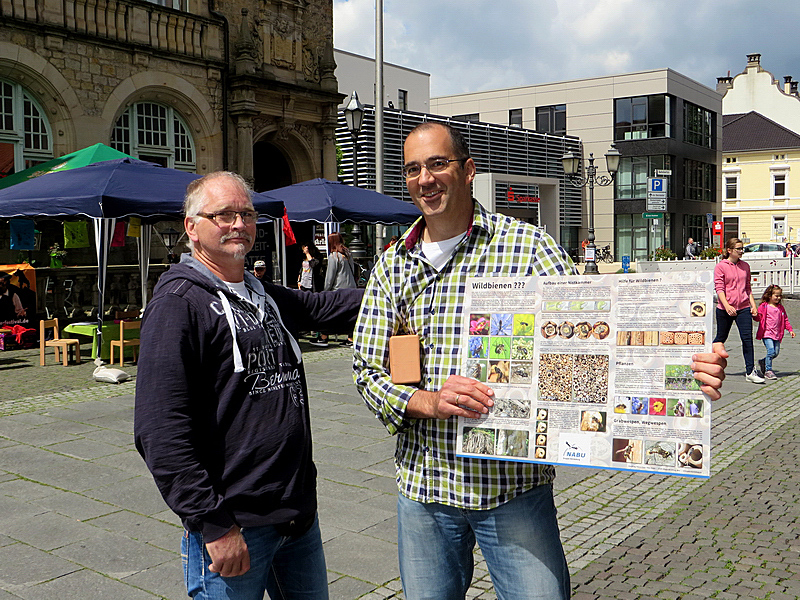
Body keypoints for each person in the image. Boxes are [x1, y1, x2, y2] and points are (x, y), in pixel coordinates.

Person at [352, 122, 728, 600]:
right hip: (425, 489)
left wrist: (682, 365)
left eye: (438, 164)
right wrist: (427, 401)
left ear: (468, 171)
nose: (425, 178)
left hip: (512, 490)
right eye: (413, 169)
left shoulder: (529, 248)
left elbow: (597, 343)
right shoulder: (392, 265)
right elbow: (365, 370)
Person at [134, 171, 362, 600]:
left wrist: (402, 287)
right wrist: (214, 524)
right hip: (234, 525)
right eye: (223, 215)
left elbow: (326, 306)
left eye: (246, 214)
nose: (238, 224)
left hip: (296, 518)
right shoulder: (179, 304)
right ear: (192, 227)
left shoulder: (261, 294)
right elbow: (159, 431)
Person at [714, 237, 763, 384]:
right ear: (729, 250)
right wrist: (727, 305)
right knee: (720, 339)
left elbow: (747, 288)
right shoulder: (721, 266)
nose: (742, 251)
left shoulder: (745, 266)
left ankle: (750, 371)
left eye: (742, 249)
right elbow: (719, 288)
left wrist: (753, 305)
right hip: (724, 309)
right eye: (739, 249)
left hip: (743, 308)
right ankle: (711, 367)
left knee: (747, 339)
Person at [311, 232, 358, 347]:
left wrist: (326, 290)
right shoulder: (347, 254)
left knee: (329, 312)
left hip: (338, 289)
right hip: (351, 287)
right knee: (349, 315)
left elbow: (330, 277)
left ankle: (323, 337)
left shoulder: (334, 256)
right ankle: (350, 338)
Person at [755, 284, 794, 380]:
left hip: (777, 334)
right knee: (771, 350)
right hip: (766, 333)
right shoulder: (764, 307)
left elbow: (785, 320)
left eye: (780, 295)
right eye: (776, 295)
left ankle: (763, 362)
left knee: (775, 353)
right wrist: (754, 314)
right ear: (769, 295)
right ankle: (768, 371)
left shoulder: (780, 308)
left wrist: (790, 329)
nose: (778, 297)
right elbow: (758, 318)